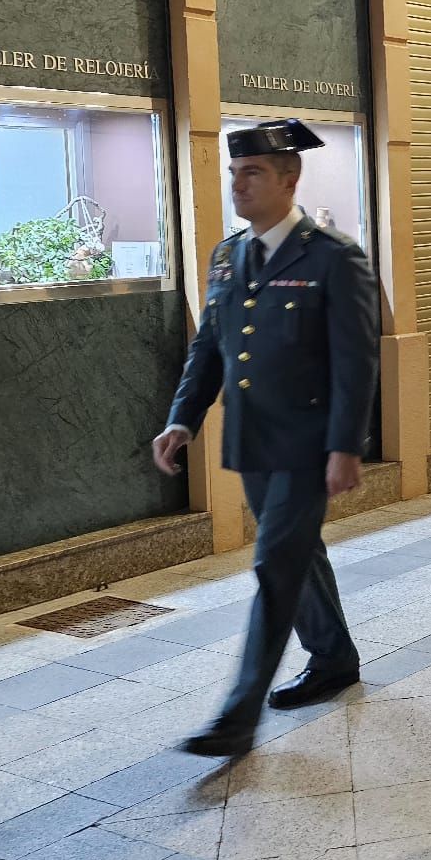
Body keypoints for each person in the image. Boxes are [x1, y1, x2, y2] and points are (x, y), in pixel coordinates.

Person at [153, 119, 380, 757]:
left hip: (309, 443)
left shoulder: (335, 257)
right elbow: (210, 347)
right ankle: (333, 656)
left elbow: (356, 360)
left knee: (274, 565)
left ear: (289, 178)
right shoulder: (229, 256)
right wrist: (182, 417)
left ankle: (237, 716)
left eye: (252, 173)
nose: (238, 184)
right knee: (297, 551)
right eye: (234, 173)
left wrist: (345, 446)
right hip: (253, 438)